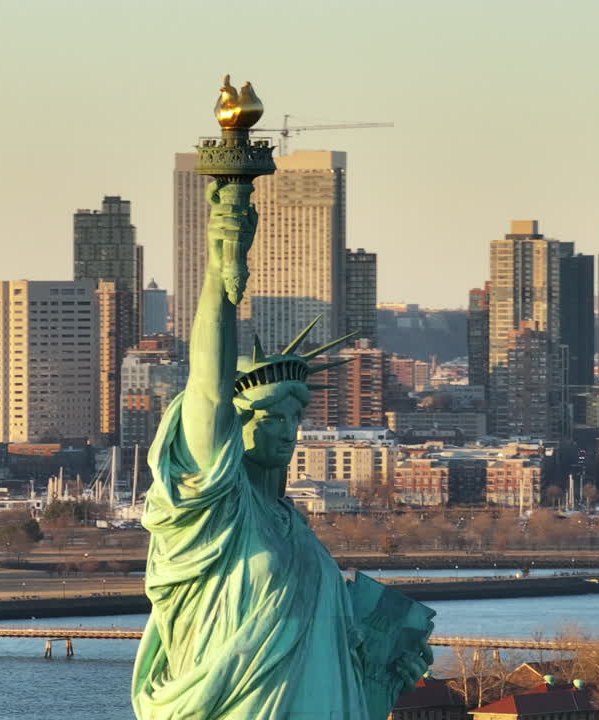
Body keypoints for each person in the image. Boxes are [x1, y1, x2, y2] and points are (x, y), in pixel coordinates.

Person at [131, 179, 431, 719]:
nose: (286, 430)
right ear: (232, 426)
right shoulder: (214, 510)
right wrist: (223, 274)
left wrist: (384, 670)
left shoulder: (297, 530)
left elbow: (333, 666)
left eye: (295, 417)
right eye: (269, 417)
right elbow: (206, 384)